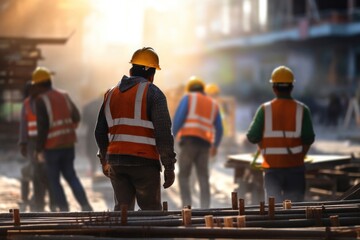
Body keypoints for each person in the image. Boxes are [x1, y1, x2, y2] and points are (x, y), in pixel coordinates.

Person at [95, 47, 177, 211]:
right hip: (144, 163)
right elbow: (163, 133)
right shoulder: (153, 93)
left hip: (116, 163)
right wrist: (169, 167)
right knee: (151, 213)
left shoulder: (110, 93)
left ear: (131, 70)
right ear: (152, 74)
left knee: (123, 213)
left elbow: (99, 131)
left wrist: (105, 160)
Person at [246, 66, 315, 203]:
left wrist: (264, 146)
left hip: (272, 169)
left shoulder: (264, 110)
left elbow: (252, 136)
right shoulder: (302, 110)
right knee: (295, 211)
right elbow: (309, 138)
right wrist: (299, 156)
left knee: (274, 211)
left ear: (274, 88)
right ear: (291, 87)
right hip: (295, 168)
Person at [32, 66, 93, 212]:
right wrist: (68, 132)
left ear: (38, 85)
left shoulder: (41, 100)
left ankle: (64, 210)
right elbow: (76, 117)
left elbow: (43, 128)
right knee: (71, 176)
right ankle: (86, 206)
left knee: (54, 180)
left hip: (52, 147)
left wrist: (38, 150)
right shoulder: (63, 95)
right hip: (68, 144)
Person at [172, 76, 223, 209]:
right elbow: (220, 128)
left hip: (189, 142)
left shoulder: (188, 98)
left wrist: (171, 137)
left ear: (189, 89)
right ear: (203, 90)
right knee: (203, 177)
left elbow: (178, 119)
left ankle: (186, 207)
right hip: (205, 145)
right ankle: (205, 209)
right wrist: (215, 146)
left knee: (183, 175)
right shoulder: (213, 104)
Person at [82, 95, 103, 178]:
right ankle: (103, 170)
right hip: (103, 130)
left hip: (91, 131)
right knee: (102, 150)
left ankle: (94, 170)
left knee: (92, 152)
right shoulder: (105, 104)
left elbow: (84, 121)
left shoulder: (88, 105)